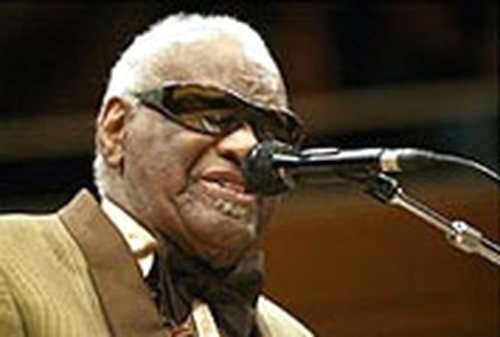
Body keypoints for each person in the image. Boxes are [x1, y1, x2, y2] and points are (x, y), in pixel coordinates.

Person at [0, 13, 314, 337]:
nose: (248, 146)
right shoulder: (8, 265)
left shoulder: (288, 333)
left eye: (273, 131)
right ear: (116, 129)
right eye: (212, 114)